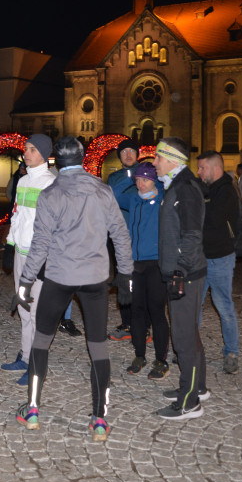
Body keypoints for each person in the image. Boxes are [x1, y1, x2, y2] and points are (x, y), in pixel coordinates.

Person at [13, 136, 132, 441]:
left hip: (59, 275)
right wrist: (126, 277)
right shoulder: (102, 190)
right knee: (98, 346)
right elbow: (120, 234)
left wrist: (25, 282)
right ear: (82, 159)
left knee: (41, 341)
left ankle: (34, 408)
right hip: (94, 278)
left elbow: (41, 244)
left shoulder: (51, 193)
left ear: (57, 161)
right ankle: (100, 419)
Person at [153, 137, 208, 420]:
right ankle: (197, 387)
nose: (154, 163)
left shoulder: (185, 188)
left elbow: (191, 234)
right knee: (189, 333)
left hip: (184, 275)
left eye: (158, 158)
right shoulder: (176, 185)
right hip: (180, 272)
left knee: (184, 339)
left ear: (173, 160)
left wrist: (180, 270)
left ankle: (189, 402)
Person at [1, 134, 55, 386]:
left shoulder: (51, 183)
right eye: (26, 149)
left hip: (38, 257)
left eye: (32, 150)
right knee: (23, 309)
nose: (26, 153)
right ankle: (24, 356)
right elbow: (17, 217)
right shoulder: (22, 181)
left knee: (35, 311)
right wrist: (9, 245)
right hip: (20, 253)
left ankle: (35, 364)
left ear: (44, 153)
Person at [117, 162, 170, 380]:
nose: (140, 183)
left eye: (145, 179)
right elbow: (114, 192)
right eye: (138, 179)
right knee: (137, 311)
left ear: (154, 180)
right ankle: (139, 355)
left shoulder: (163, 200)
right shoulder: (133, 199)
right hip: (135, 264)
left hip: (156, 264)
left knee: (157, 312)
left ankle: (161, 359)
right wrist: (129, 175)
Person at [197, 150, 242, 375]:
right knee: (193, 306)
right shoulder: (207, 188)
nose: (199, 172)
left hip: (220, 258)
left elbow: (211, 220)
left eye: (202, 168)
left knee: (224, 307)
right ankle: (191, 350)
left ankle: (231, 352)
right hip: (200, 257)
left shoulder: (225, 191)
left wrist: (198, 204)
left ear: (215, 168)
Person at [107, 137, 140, 341]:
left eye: (131, 151)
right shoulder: (114, 178)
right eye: (124, 152)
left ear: (137, 154)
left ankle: (141, 324)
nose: (128, 155)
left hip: (140, 237)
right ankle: (127, 323)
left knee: (140, 281)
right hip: (118, 237)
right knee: (123, 281)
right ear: (119, 156)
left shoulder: (147, 174)